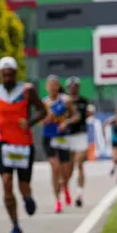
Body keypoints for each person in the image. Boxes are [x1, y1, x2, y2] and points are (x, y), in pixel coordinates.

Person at [0, 57, 48, 233]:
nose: (7, 78)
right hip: (4, 143)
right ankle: (15, 226)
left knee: (23, 185)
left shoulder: (27, 90)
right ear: (0, 75)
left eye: (10, 75)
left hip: (24, 144)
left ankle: (27, 197)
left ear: (15, 74)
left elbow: (43, 111)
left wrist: (30, 122)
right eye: (4, 75)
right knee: (6, 182)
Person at [41, 75, 75, 213]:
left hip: (62, 138)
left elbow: (75, 115)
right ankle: (57, 201)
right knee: (55, 168)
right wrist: (44, 120)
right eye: (50, 85)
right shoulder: (43, 102)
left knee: (66, 171)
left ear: (58, 86)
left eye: (55, 84)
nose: (52, 87)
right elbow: (39, 118)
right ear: (46, 87)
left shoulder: (66, 100)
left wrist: (66, 122)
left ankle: (65, 186)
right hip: (48, 138)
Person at [64, 76, 93, 207]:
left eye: (75, 86)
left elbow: (88, 114)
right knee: (68, 168)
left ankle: (79, 194)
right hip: (67, 136)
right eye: (71, 86)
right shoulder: (63, 101)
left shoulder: (84, 101)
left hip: (81, 135)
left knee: (79, 163)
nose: (73, 89)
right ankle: (66, 189)